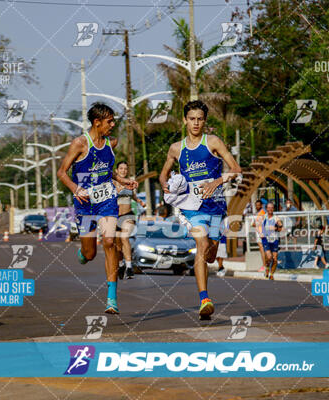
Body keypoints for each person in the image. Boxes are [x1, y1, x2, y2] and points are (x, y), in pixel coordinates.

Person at [159, 100, 241, 319]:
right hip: (191, 208)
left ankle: (210, 260)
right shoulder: (176, 148)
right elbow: (163, 173)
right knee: (201, 244)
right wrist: (166, 185)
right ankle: (204, 299)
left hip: (215, 206)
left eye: (200, 119)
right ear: (185, 120)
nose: (196, 123)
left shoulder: (213, 142)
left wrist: (216, 182)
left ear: (205, 121)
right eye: (192, 119)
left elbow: (235, 169)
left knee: (211, 254)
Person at [57, 103, 138, 314]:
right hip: (85, 203)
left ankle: (111, 299)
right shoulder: (80, 144)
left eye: (113, 120)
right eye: (109, 121)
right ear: (97, 122)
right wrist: (76, 189)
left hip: (107, 199)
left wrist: (122, 180)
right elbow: (62, 172)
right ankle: (83, 252)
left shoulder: (111, 143)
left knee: (110, 241)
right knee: (90, 253)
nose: (112, 125)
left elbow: (106, 171)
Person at [113, 161, 145, 280]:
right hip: (115, 217)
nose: (123, 171)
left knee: (124, 238)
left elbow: (134, 196)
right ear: (116, 170)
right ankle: (121, 264)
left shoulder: (130, 183)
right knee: (116, 245)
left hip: (127, 215)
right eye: (121, 168)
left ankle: (129, 267)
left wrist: (140, 202)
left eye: (125, 169)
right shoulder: (112, 183)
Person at [262, 202, 284, 280]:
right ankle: (267, 267)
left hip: (274, 240)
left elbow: (280, 228)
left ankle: (271, 274)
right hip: (266, 239)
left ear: (273, 209)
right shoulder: (263, 217)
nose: (270, 209)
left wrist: (278, 227)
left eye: (272, 207)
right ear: (267, 208)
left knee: (275, 259)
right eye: (269, 207)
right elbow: (258, 226)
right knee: (269, 257)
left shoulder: (276, 217)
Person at [251, 200, 267, 272]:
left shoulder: (262, 212)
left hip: (261, 232)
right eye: (256, 205)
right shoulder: (259, 213)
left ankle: (264, 266)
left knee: (262, 249)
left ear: (261, 205)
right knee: (263, 249)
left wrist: (254, 224)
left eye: (258, 205)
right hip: (260, 232)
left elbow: (259, 223)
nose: (257, 206)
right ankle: (265, 265)